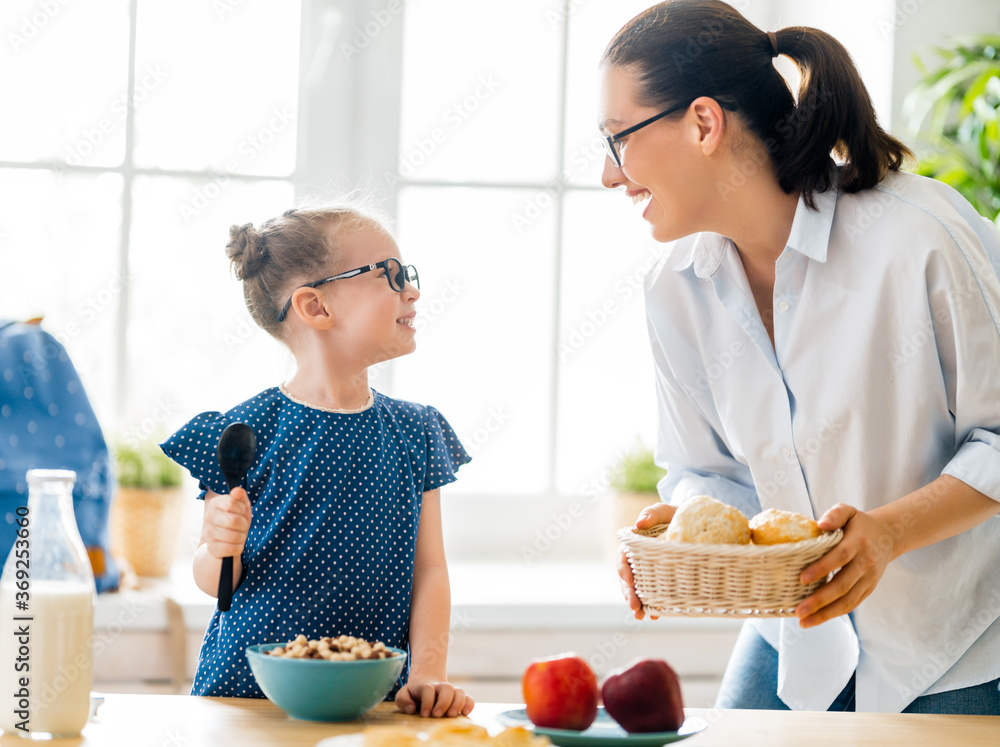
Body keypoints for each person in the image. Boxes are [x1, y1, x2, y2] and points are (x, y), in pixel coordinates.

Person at [599, 0, 1000, 714]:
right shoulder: (674, 288)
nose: (609, 174)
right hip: (794, 634)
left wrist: (890, 533)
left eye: (617, 138)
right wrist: (684, 530)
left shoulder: (919, 236)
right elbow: (706, 470)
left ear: (702, 123)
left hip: (958, 638)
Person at [160, 204, 474, 718]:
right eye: (390, 276)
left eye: (408, 274)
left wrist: (427, 674)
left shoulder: (417, 432)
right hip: (244, 699)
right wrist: (219, 544)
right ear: (315, 307)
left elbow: (430, 570)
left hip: (371, 700)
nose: (412, 291)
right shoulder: (242, 432)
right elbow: (212, 577)